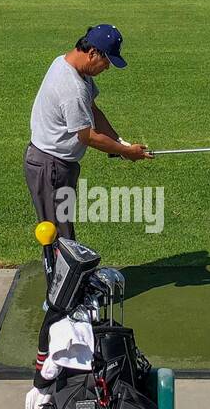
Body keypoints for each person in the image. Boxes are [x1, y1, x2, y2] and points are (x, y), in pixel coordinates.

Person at [24, 24, 150, 247]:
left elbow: (93, 110)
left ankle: (69, 280)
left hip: (57, 164)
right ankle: (63, 282)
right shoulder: (72, 88)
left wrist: (120, 143)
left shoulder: (71, 66)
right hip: (50, 166)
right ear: (92, 53)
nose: (107, 68)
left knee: (63, 231)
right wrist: (126, 152)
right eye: (107, 62)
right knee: (57, 236)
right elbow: (87, 136)